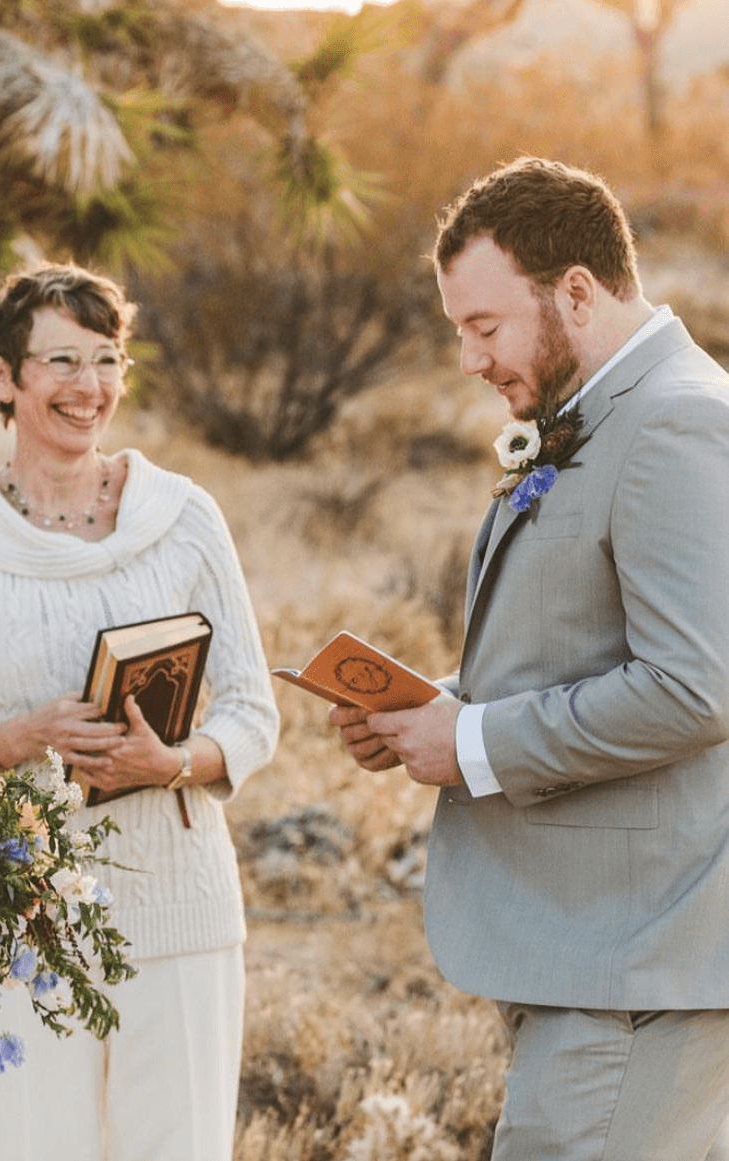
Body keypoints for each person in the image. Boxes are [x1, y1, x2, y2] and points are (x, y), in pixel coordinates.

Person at [331, 156, 729, 1160]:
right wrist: (438, 709)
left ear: (579, 293)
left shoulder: (674, 422)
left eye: (483, 326)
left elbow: (695, 687)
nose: (467, 359)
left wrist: (470, 742)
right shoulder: (596, 416)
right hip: (587, 956)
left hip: (640, 966)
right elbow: (589, 642)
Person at [0, 261, 279, 1160]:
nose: (89, 386)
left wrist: (174, 762)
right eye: (61, 361)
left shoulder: (184, 517)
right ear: (2, 377)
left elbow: (253, 710)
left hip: (180, 912)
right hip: (14, 920)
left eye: (107, 359)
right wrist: (11, 739)